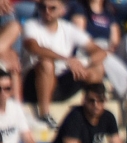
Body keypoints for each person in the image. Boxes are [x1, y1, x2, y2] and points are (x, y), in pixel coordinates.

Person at [21, 0, 107, 130]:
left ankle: (92, 115)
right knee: (46, 64)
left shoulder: (68, 28)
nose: (47, 11)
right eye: (43, 7)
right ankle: (44, 114)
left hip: (60, 82)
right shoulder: (31, 25)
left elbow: (99, 52)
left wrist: (82, 63)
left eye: (52, 8)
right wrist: (67, 60)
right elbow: (34, 47)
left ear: (62, 10)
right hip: (34, 85)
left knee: (97, 69)